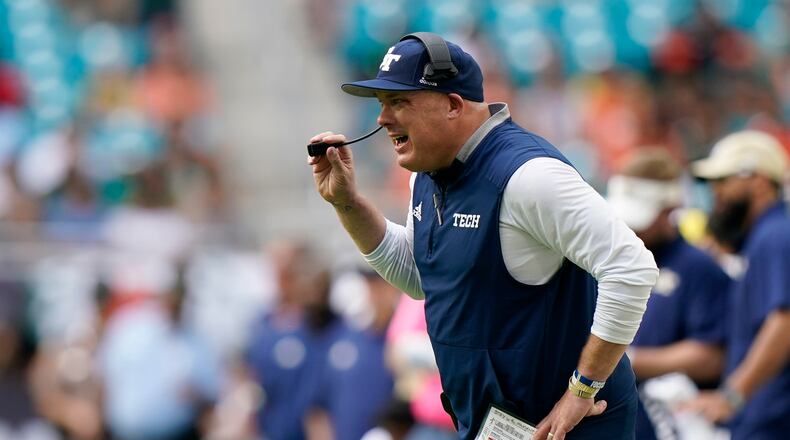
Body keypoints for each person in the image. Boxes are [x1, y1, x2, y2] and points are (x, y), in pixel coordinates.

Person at [307, 32, 658, 439]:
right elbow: (423, 278)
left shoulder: (529, 175)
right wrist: (348, 204)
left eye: (399, 102)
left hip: (569, 428)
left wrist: (583, 388)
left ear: (454, 105)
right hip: (501, 427)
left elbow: (631, 267)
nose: (382, 119)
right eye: (382, 104)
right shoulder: (428, 174)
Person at [606, 149, 731, 439]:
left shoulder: (698, 268)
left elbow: (711, 356)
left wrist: (616, 358)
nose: (631, 228)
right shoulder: (611, 262)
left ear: (670, 209)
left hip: (676, 426)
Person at [686, 130, 790, 439]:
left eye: (723, 180)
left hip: (773, 420)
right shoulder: (764, 236)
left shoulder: (774, 236)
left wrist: (732, 396)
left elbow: (784, 322)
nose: (715, 192)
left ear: (759, 181)